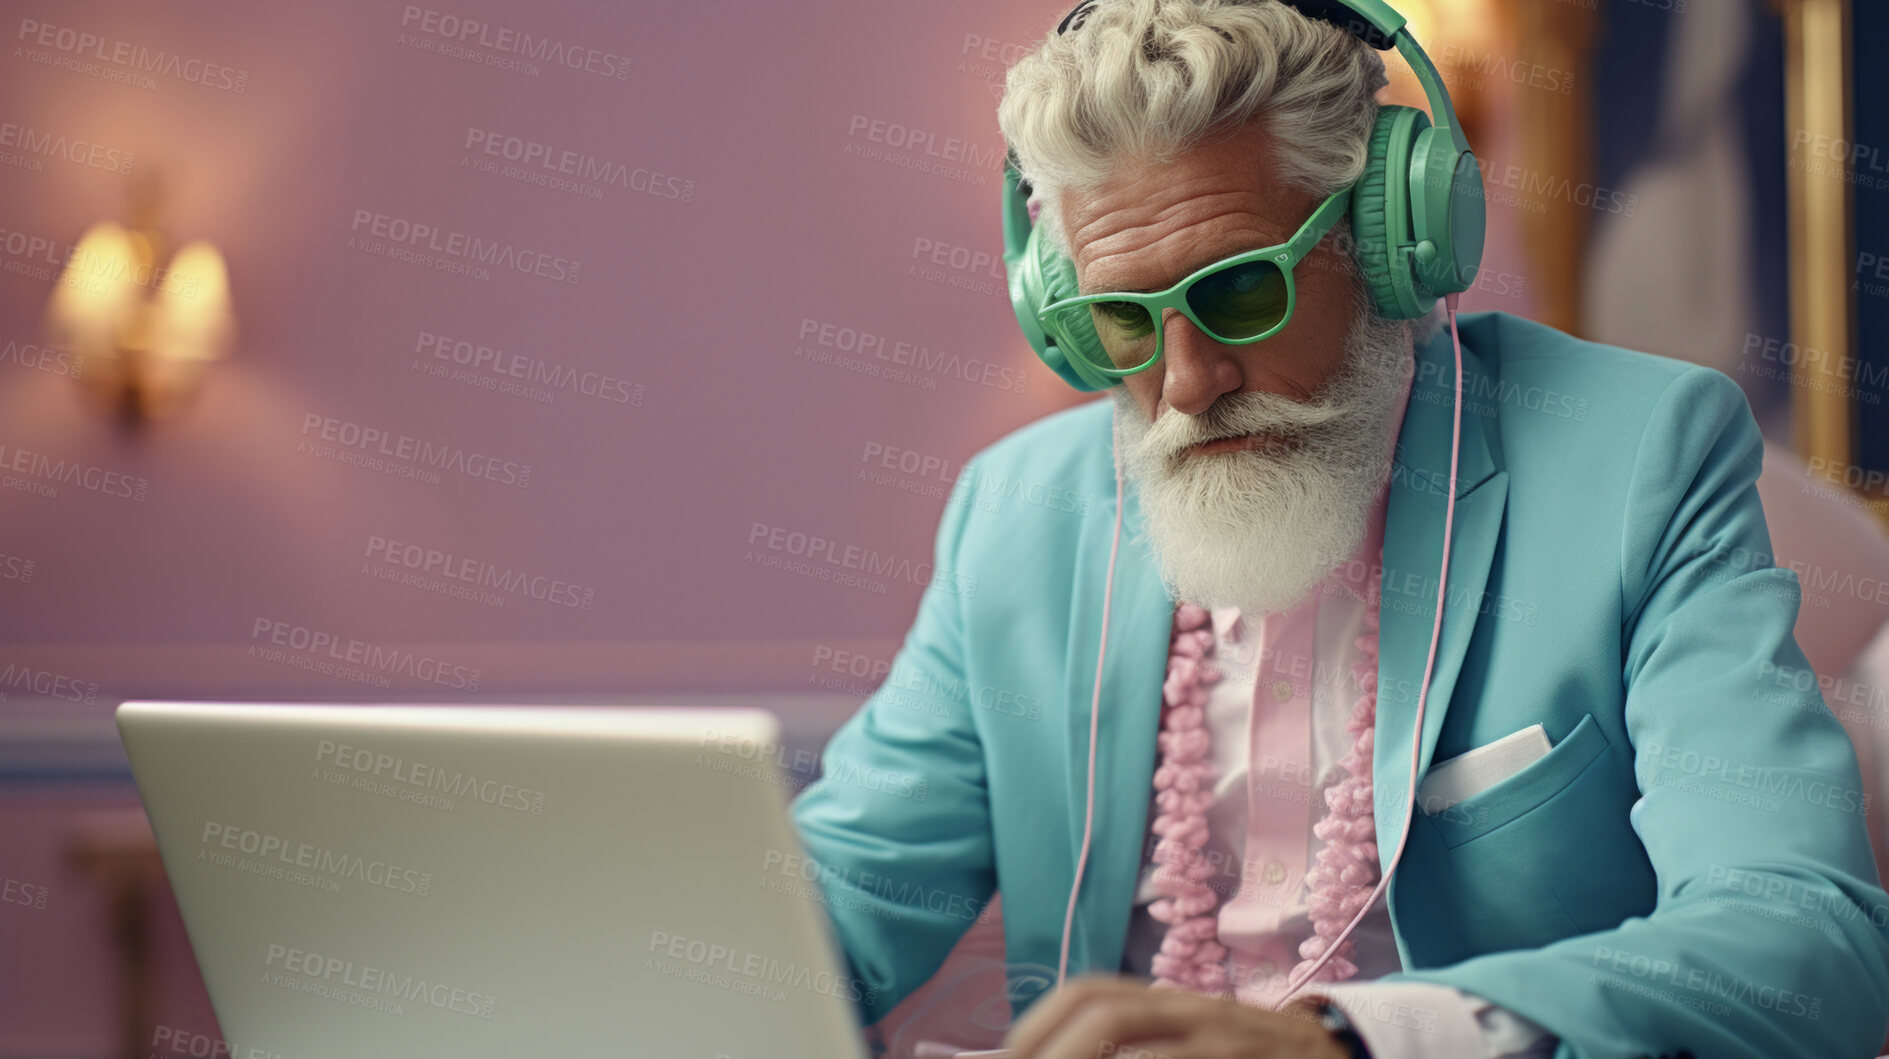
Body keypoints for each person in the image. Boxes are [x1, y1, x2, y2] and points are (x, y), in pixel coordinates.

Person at [789, 1, 1889, 1055]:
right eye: (1120, 318)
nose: (1184, 385)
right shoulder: (1010, 516)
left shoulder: (1641, 456)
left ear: (1391, 237)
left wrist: (1343, 1045)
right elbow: (841, 894)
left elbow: (1798, 944)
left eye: (1236, 296)